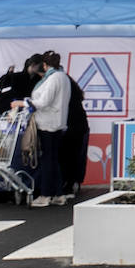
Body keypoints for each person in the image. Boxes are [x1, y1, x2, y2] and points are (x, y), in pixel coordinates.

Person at [13, 50, 70, 208]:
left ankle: (45, 194)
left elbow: (43, 102)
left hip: (48, 124)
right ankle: (58, 194)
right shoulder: (63, 77)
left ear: (45, 64)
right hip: (57, 123)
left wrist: (22, 103)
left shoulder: (53, 79)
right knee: (53, 160)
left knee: (48, 160)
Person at [59, 73, 90, 202]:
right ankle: (72, 183)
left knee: (69, 157)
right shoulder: (72, 88)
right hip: (78, 126)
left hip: (72, 126)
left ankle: (69, 185)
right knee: (74, 156)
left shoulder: (63, 87)